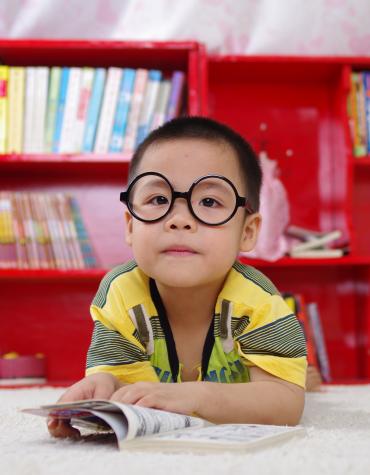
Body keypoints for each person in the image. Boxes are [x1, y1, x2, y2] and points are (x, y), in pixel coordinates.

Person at [48, 116, 307, 438]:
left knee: (299, 379)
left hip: (247, 387)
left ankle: (305, 371)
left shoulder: (259, 301)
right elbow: (126, 383)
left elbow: (286, 403)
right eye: (159, 200)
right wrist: (106, 386)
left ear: (248, 231)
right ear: (130, 225)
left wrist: (196, 395)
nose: (180, 219)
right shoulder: (121, 293)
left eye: (209, 201)